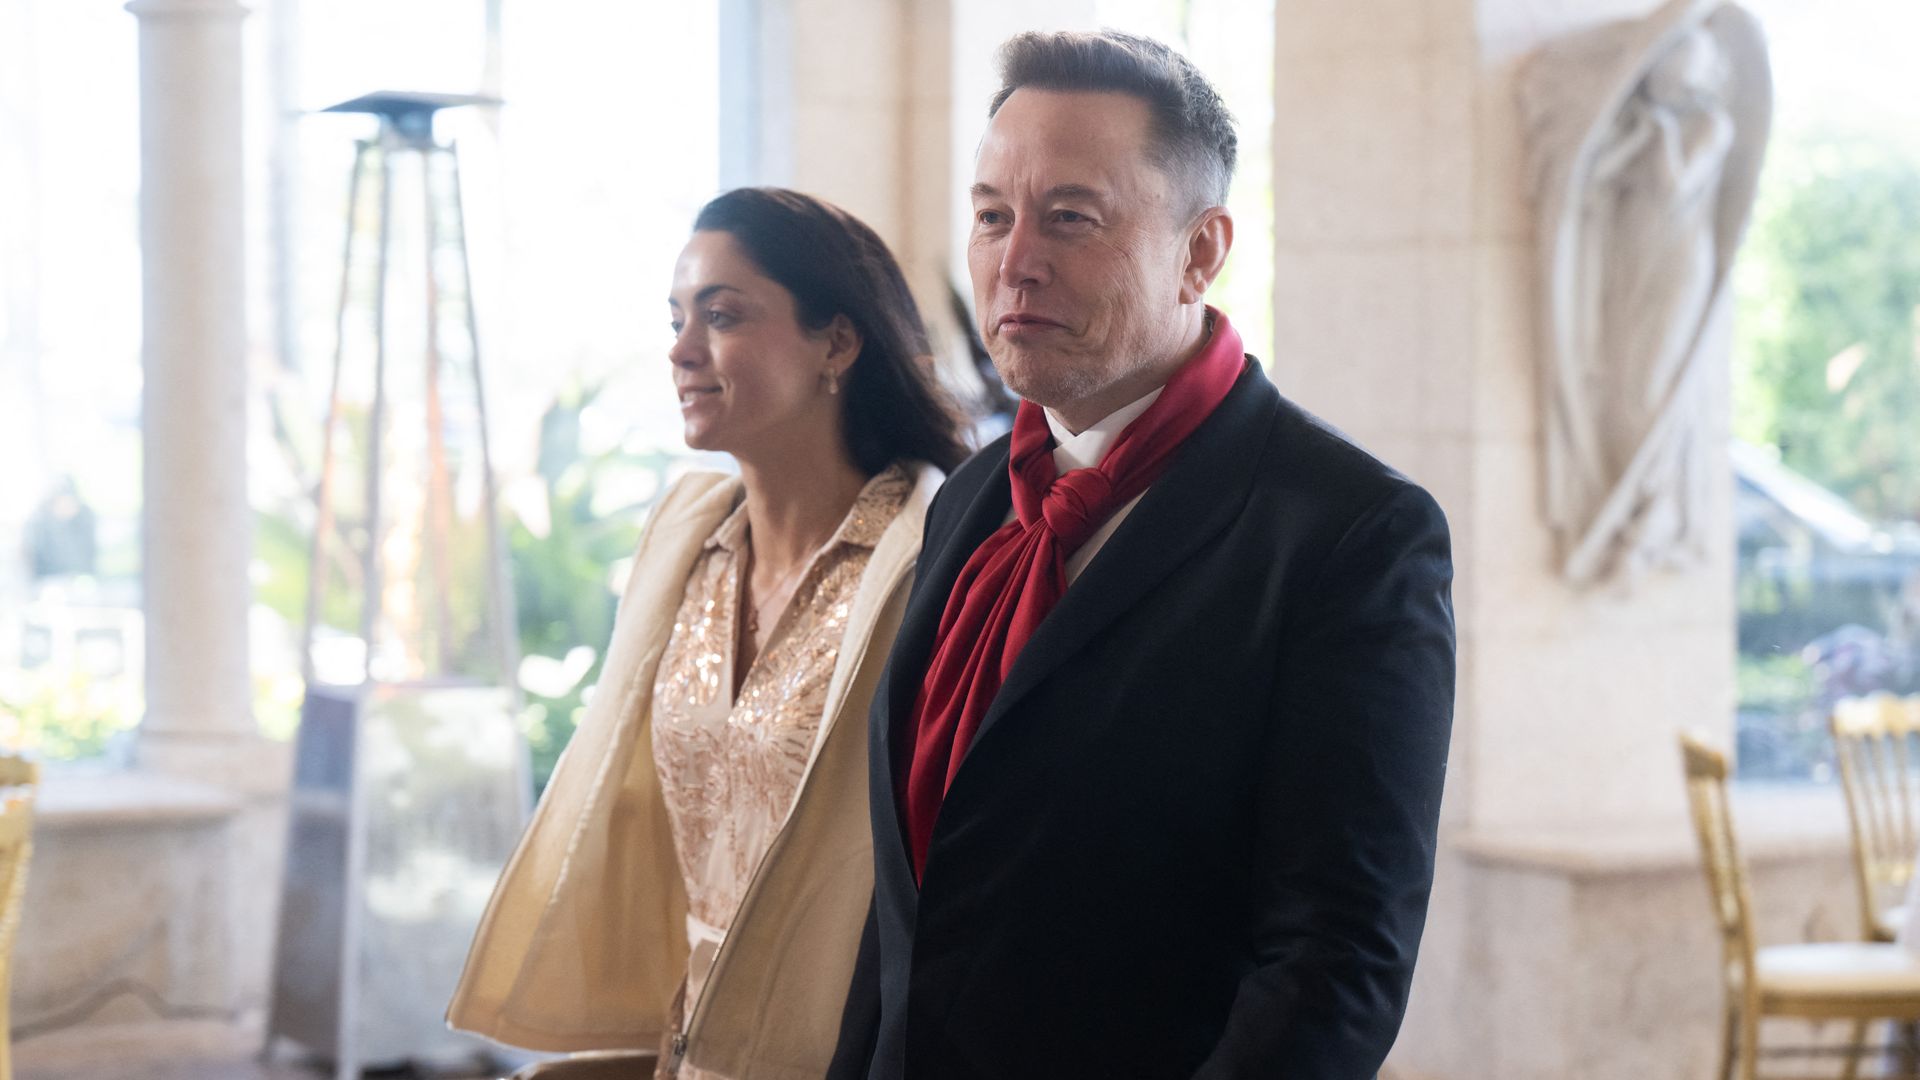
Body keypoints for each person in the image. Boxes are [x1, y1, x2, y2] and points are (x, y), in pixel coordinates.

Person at [828, 30, 1456, 1080]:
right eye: (991, 216)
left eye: (1070, 217)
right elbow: (909, 916)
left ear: (1201, 252)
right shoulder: (975, 501)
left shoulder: (1349, 533)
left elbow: (1331, 967)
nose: (1013, 259)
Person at [449, 187, 968, 1080]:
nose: (682, 351)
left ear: (837, 344)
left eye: (722, 317)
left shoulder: (926, 562)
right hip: (688, 1043)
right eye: (678, 318)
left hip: (849, 1049)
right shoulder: (689, 545)